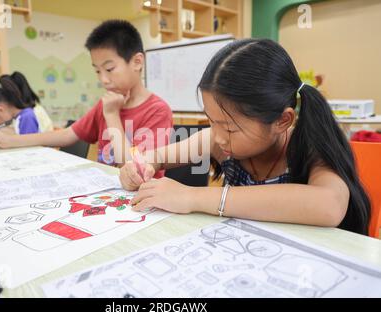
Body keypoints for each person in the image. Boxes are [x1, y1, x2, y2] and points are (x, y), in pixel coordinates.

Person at [120, 39, 370, 235]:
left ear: (282, 121)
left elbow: (329, 205)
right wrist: (141, 165)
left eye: (229, 128)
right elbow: (158, 157)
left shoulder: (308, 147)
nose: (217, 137)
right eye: (211, 121)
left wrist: (191, 196)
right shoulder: (219, 141)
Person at [0, 20, 173, 177]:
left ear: (137, 62)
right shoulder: (106, 104)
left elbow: (135, 170)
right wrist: (10, 140)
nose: (103, 79)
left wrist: (112, 115)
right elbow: (66, 135)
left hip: (142, 200)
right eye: (97, 71)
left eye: (109, 69)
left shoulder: (157, 110)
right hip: (108, 195)